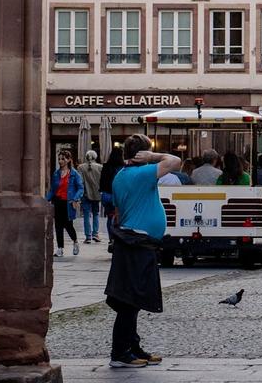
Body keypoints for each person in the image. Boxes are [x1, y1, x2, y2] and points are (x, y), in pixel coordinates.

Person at [105, 133, 180, 368]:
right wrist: (154, 155)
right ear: (142, 154)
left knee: (132, 299)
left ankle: (132, 346)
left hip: (134, 241)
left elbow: (118, 210)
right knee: (129, 300)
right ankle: (120, 353)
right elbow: (175, 161)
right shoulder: (141, 173)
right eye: (147, 153)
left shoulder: (121, 175)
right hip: (137, 243)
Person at [46, 150, 85, 257]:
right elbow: (53, 190)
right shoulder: (56, 174)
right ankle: (60, 248)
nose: (60, 161)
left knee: (68, 225)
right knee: (58, 225)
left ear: (68, 160)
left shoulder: (74, 174)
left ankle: (75, 242)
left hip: (68, 202)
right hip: (58, 202)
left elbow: (81, 188)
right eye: (59, 159)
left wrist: (75, 198)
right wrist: (46, 200)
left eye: (63, 159)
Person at [76, 150, 105, 245]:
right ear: (95, 157)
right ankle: (95, 234)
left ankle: (88, 236)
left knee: (86, 215)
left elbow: (80, 182)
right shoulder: (100, 167)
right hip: (97, 195)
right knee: (96, 214)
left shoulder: (80, 167)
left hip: (85, 194)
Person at [99, 148, 124, 238]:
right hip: (118, 196)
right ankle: (117, 237)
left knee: (110, 217)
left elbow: (101, 182)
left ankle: (111, 239)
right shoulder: (122, 168)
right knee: (119, 217)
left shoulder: (105, 166)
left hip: (106, 195)